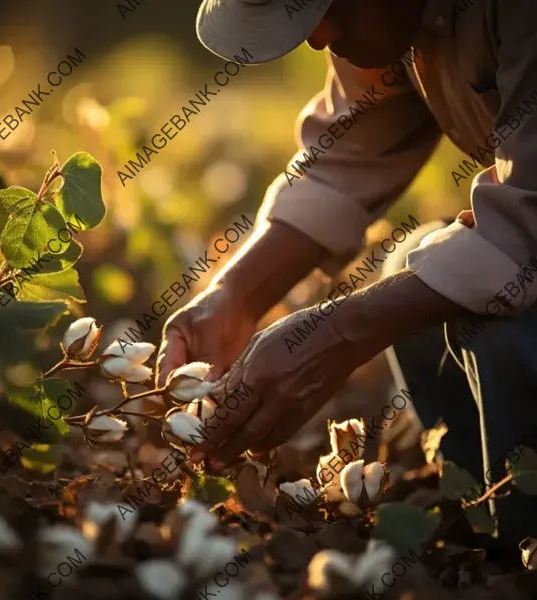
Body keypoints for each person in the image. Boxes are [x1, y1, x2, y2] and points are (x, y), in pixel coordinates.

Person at [155, 0, 537, 546]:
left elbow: (528, 227)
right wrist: (232, 295)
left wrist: (338, 334)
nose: (320, 38)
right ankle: (486, 525)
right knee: (416, 265)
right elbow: (348, 150)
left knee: (503, 319)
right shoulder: (390, 21)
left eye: (331, 5)